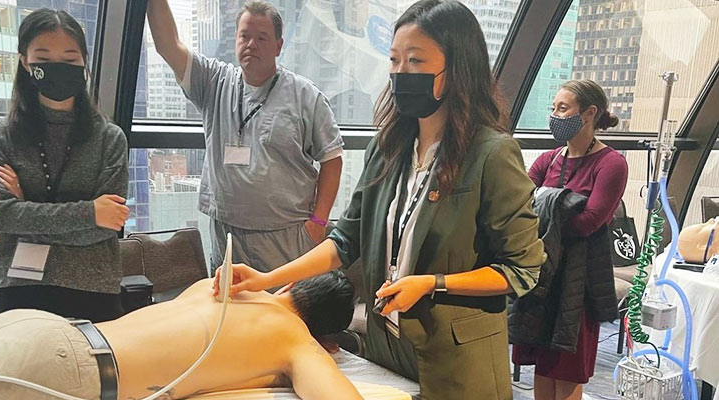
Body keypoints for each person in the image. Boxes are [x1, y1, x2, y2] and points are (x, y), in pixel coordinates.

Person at [215, 1, 546, 398]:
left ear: (458, 68)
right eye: (394, 60)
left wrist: (433, 284)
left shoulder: (491, 154)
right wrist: (267, 279)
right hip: (387, 348)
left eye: (415, 60)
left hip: (457, 365)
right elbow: (345, 241)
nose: (400, 73)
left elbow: (521, 269)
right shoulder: (387, 149)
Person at [147, 0, 344, 274]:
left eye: (262, 38)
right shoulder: (214, 82)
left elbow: (332, 159)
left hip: (285, 236)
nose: (251, 44)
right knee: (229, 299)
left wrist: (318, 223)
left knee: (281, 301)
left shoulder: (305, 96)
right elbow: (168, 46)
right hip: (226, 235)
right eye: (245, 36)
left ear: (278, 46)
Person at [0, 272, 362, 400]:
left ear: (289, 286)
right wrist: (319, 355)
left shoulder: (217, 285)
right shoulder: (297, 342)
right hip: (65, 371)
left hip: (44, 328)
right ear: (327, 338)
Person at [0, 9, 130, 322]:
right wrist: (90, 212)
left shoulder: (110, 138)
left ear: (84, 62)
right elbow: (6, 217)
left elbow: (109, 225)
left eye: (69, 59)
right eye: (44, 59)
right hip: (22, 288)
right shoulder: (1, 136)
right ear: (25, 61)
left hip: (95, 288)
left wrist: (28, 210)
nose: (57, 68)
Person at [514, 79, 628, 400]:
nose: (555, 116)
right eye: (553, 108)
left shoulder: (611, 164)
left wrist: (545, 205)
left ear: (589, 113)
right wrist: (560, 205)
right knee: (543, 366)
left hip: (578, 282)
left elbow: (589, 222)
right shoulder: (548, 160)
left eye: (563, 109)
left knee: (566, 370)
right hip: (543, 276)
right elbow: (520, 205)